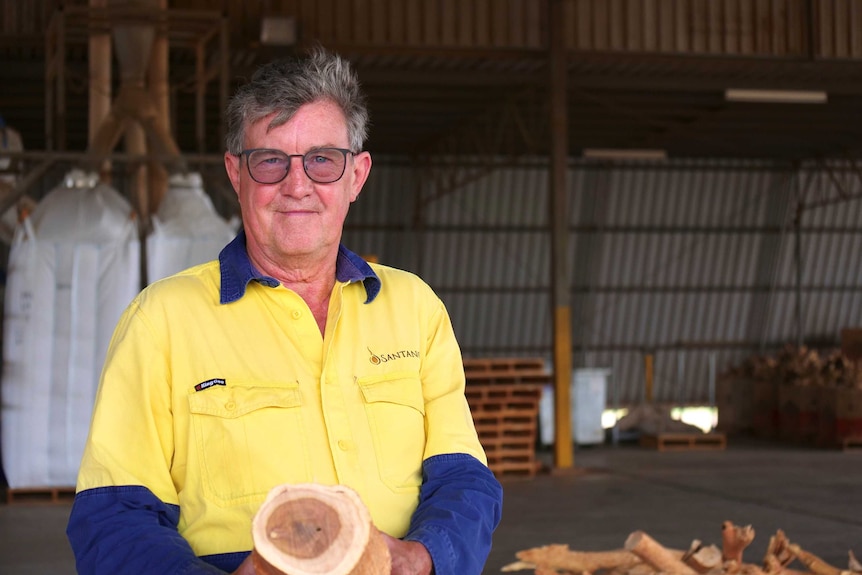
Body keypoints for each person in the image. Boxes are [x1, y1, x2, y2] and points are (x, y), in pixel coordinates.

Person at [66, 47, 503, 574]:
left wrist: (423, 557)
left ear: (357, 175)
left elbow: (464, 479)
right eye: (271, 161)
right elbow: (112, 517)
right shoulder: (162, 321)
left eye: (322, 160)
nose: (297, 186)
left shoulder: (414, 308)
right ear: (236, 173)